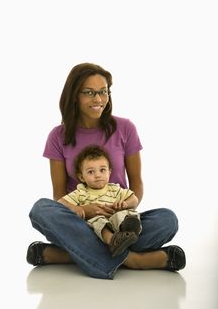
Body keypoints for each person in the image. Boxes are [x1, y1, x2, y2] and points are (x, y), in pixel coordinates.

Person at [27, 62, 186, 279]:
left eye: (103, 92)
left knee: (167, 219)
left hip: (120, 220)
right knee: (41, 210)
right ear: (74, 95)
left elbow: (137, 185)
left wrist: (125, 205)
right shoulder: (58, 136)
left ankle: (65, 255)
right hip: (80, 224)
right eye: (90, 93)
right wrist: (86, 210)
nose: (99, 99)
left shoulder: (125, 128)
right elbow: (59, 196)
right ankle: (135, 261)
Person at [59, 144, 142, 257]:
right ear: (81, 177)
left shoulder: (115, 189)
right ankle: (113, 242)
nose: (97, 175)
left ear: (109, 172)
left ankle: (129, 232)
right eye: (91, 172)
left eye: (102, 170)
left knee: (128, 213)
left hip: (118, 223)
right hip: (97, 227)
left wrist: (125, 204)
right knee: (97, 222)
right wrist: (76, 208)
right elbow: (60, 202)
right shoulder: (81, 192)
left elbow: (134, 199)